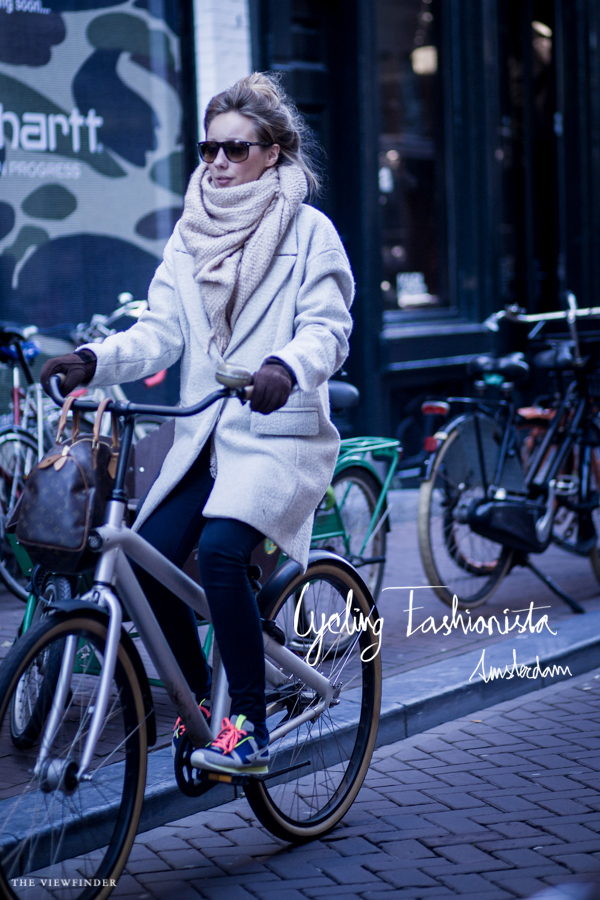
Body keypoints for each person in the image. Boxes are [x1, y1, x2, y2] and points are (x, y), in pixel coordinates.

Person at [41, 72, 354, 776]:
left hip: (278, 438)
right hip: (202, 440)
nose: (216, 162)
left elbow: (329, 329)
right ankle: (194, 714)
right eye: (208, 148)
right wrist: (93, 360)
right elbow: (160, 333)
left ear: (273, 152)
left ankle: (248, 725)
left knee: (217, 554)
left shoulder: (309, 232)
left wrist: (286, 366)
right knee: (144, 568)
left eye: (234, 150)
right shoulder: (190, 233)